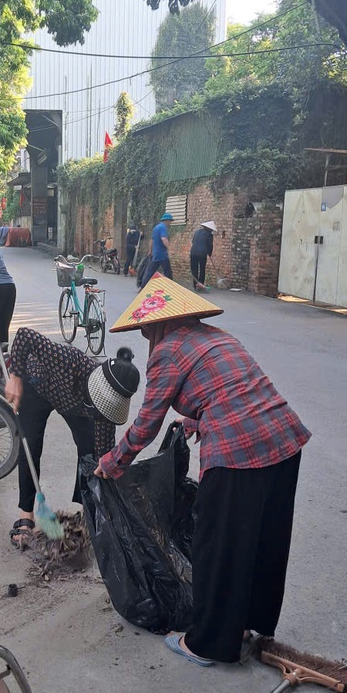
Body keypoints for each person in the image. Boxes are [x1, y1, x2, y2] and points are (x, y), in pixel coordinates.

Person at [94, 275, 311, 667]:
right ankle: (247, 624)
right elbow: (228, 388)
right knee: (262, 539)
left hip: (239, 452)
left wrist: (112, 463)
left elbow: (146, 423)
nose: (147, 339)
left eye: (146, 330)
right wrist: (196, 419)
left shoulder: (167, 352)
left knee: (218, 545)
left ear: (156, 324)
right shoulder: (217, 337)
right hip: (285, 440)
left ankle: (209, 643)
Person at [4, 328, 140, 547]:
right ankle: (26, 514)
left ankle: (86, 511)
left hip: (74, 405)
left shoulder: (104, 411)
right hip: (38, 384)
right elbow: (24, 336)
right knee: (30, 445)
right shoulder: (69, 361)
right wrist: (16, 377)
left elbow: (103, 457)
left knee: (92, 453)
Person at [143, 212, 173, 282]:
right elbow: (164, 239)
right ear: (167, 221)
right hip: (162, 254)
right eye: (170, 221)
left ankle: (143, 286)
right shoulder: (163, 227)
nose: (170, 223)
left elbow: (152, 240)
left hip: (155, 254)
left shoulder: (156, 228)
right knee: (168, 272)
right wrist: (169, 248)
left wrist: (150, 251)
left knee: (150, 272)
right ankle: (171, 286)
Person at [190, 220, 217, 291]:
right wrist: (210, 253)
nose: (211, 230)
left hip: (193, 252)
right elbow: (210, 245)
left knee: (194, 269)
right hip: (202, 254)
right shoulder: (209, 235)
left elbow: (193, 241)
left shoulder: (197, 232)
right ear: (209, 228)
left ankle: (195, 285)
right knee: (202, 269)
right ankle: (200, 284)